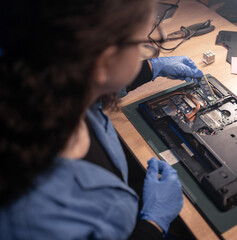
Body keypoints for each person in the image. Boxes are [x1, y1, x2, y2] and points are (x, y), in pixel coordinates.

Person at [0, 0, 203, 239]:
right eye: (142, 43)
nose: (145, 51)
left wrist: (152, 68)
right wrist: (153, 224)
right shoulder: (45, 217)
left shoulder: (38, 85)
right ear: (104, 62)